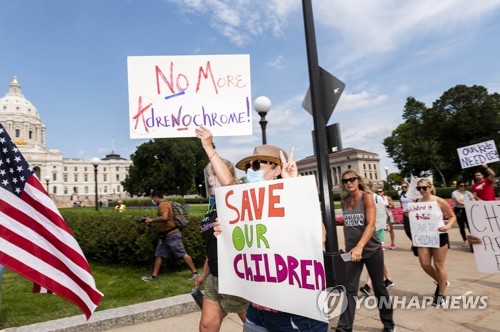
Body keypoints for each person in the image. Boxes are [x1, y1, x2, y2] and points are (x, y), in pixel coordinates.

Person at [214, 144, 328, 331]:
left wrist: (293, 185)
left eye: (257, 165)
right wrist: (226, 231)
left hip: (296, 314)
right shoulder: (245, 208)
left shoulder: (293, 199)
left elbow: (319, 236)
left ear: (277, 170)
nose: (251, 170)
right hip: (257, 311)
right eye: (249, 166)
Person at [194, 126, 249, 331]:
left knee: (255, 326)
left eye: (213, 174)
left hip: (237, 275)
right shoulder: (212, 206)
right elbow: (213, 244)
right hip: (216, 276)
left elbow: (228, 182)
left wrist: (208, 146)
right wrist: (205, 272)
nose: (210, 179)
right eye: (208, 175)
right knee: (207, 327)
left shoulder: (233, 199)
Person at [336, 170, 394, 332]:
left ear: (358, 180)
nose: (349, 183)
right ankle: (344, 328)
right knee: (349, 289)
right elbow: (347, 226)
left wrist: (360, 246)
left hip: (371, 250)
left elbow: (371, 225)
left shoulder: (367, 197)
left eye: (352, 179)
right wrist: (349, 248)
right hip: (353, 253)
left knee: (379, 287)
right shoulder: (344, 200)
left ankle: (389, 325)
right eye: (345, 180)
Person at [413, 178, 456, 307]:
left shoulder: (439, 201)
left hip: (439, 235)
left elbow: (452, 216)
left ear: (430, 188)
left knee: (438, 265)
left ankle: (441, 294)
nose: (421, 190)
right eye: (419, 188)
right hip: (423, 236)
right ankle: (442, 281)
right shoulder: (416, 202)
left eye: (424, 188)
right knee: (424, 264)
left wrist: (448, 226)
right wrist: (408, 213)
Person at [141, 191, 198, 282]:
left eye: (153, 198)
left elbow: (165, 217)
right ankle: (153, 276)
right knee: (159, 254)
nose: (153, 200)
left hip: (172, 235)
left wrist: (151, 220)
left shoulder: (163, 205)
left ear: (156, 197)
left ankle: (195, 273)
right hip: (165, 235)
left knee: (182, 253)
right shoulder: (167, 203)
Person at [359, 187, 394, 296]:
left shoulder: (371, 198)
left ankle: (368, 285)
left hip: (375, 230)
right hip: (374, 230)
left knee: (373, 257)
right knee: (378, 257)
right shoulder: (371, 198)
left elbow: (382, 212)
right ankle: (388, 279)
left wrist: (385, 224)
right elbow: (383, 212)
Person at [451, 182, 474, 247]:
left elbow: (473, 200)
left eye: (464, 185)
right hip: (459, 210)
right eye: (461, 185)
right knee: (461, 226)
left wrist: (474, 203)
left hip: (468, 210)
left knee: (470, 226)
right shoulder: (455, 193)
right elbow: (458, 202)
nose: (463, 187)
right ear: (458, 186)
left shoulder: (468, 193)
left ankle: (472, 240)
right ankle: (465, 240)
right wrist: (469, 203)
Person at [398, 181, 416, 255]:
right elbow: (401, 202)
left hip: (413, 213)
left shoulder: (412, 193)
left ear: (408, 187)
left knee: (414, 229)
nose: (404, 188)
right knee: (407, 230)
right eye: (402, 187)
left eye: (405, 186)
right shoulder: (400, 193)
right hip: (405, 214)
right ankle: (414, 242)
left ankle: (415, 244)